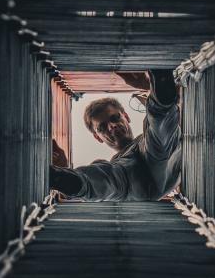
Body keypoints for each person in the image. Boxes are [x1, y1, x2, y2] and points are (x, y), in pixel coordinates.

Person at [49, 69, 181, 201]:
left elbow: (168, 125)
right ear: (97, 137)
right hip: (128, 179)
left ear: (126, 117)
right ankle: (63, 178)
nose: (111, 126)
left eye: (115, 118)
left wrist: (146, 86)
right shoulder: (115, 168)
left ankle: (161, 91)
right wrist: (64, 170)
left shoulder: (148, 138)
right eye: (102, 127)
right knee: (104, 173)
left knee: (157, 133)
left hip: (159, 157)